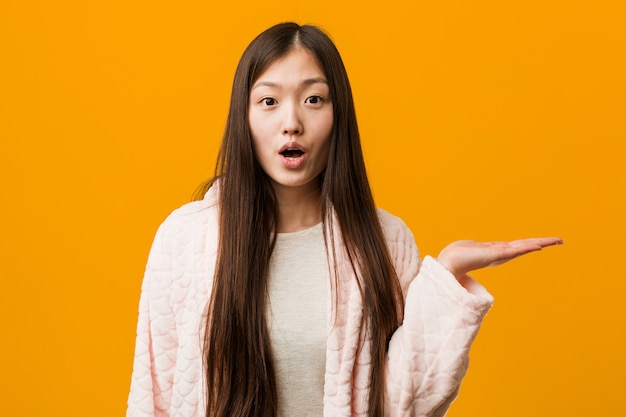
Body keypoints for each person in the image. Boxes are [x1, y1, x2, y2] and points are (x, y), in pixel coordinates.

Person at [126, 22, 562, 417]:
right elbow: (155, 396)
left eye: (313, 99)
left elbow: (402, 405)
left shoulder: (385, 241)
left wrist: (446, 278)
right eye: (269, 101)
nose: (291, 122)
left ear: (339, 117)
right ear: (244, 116)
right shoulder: (185, 239)